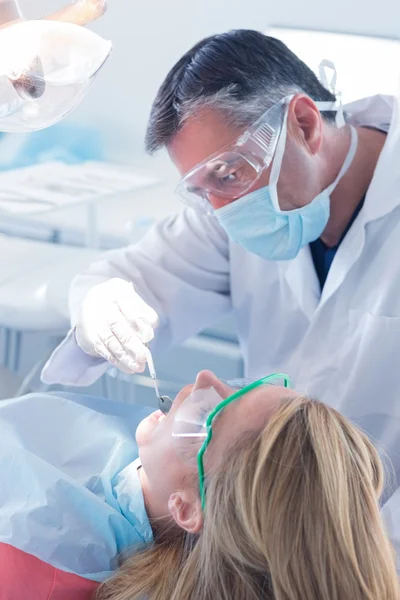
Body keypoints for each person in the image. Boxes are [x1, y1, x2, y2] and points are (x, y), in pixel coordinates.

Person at [41, 29, 400, 546]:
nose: (221, 208)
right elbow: (132, 275)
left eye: (228, 175)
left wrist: (349, 554)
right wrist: (100, 304)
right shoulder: (230, 212)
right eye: (200, 190)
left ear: (301, 123)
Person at [0, 372, 398, 599]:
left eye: (209, 416)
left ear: (187, 509)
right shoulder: (140, 460)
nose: (203, 378)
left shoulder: (39, 564)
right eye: (240, 385)